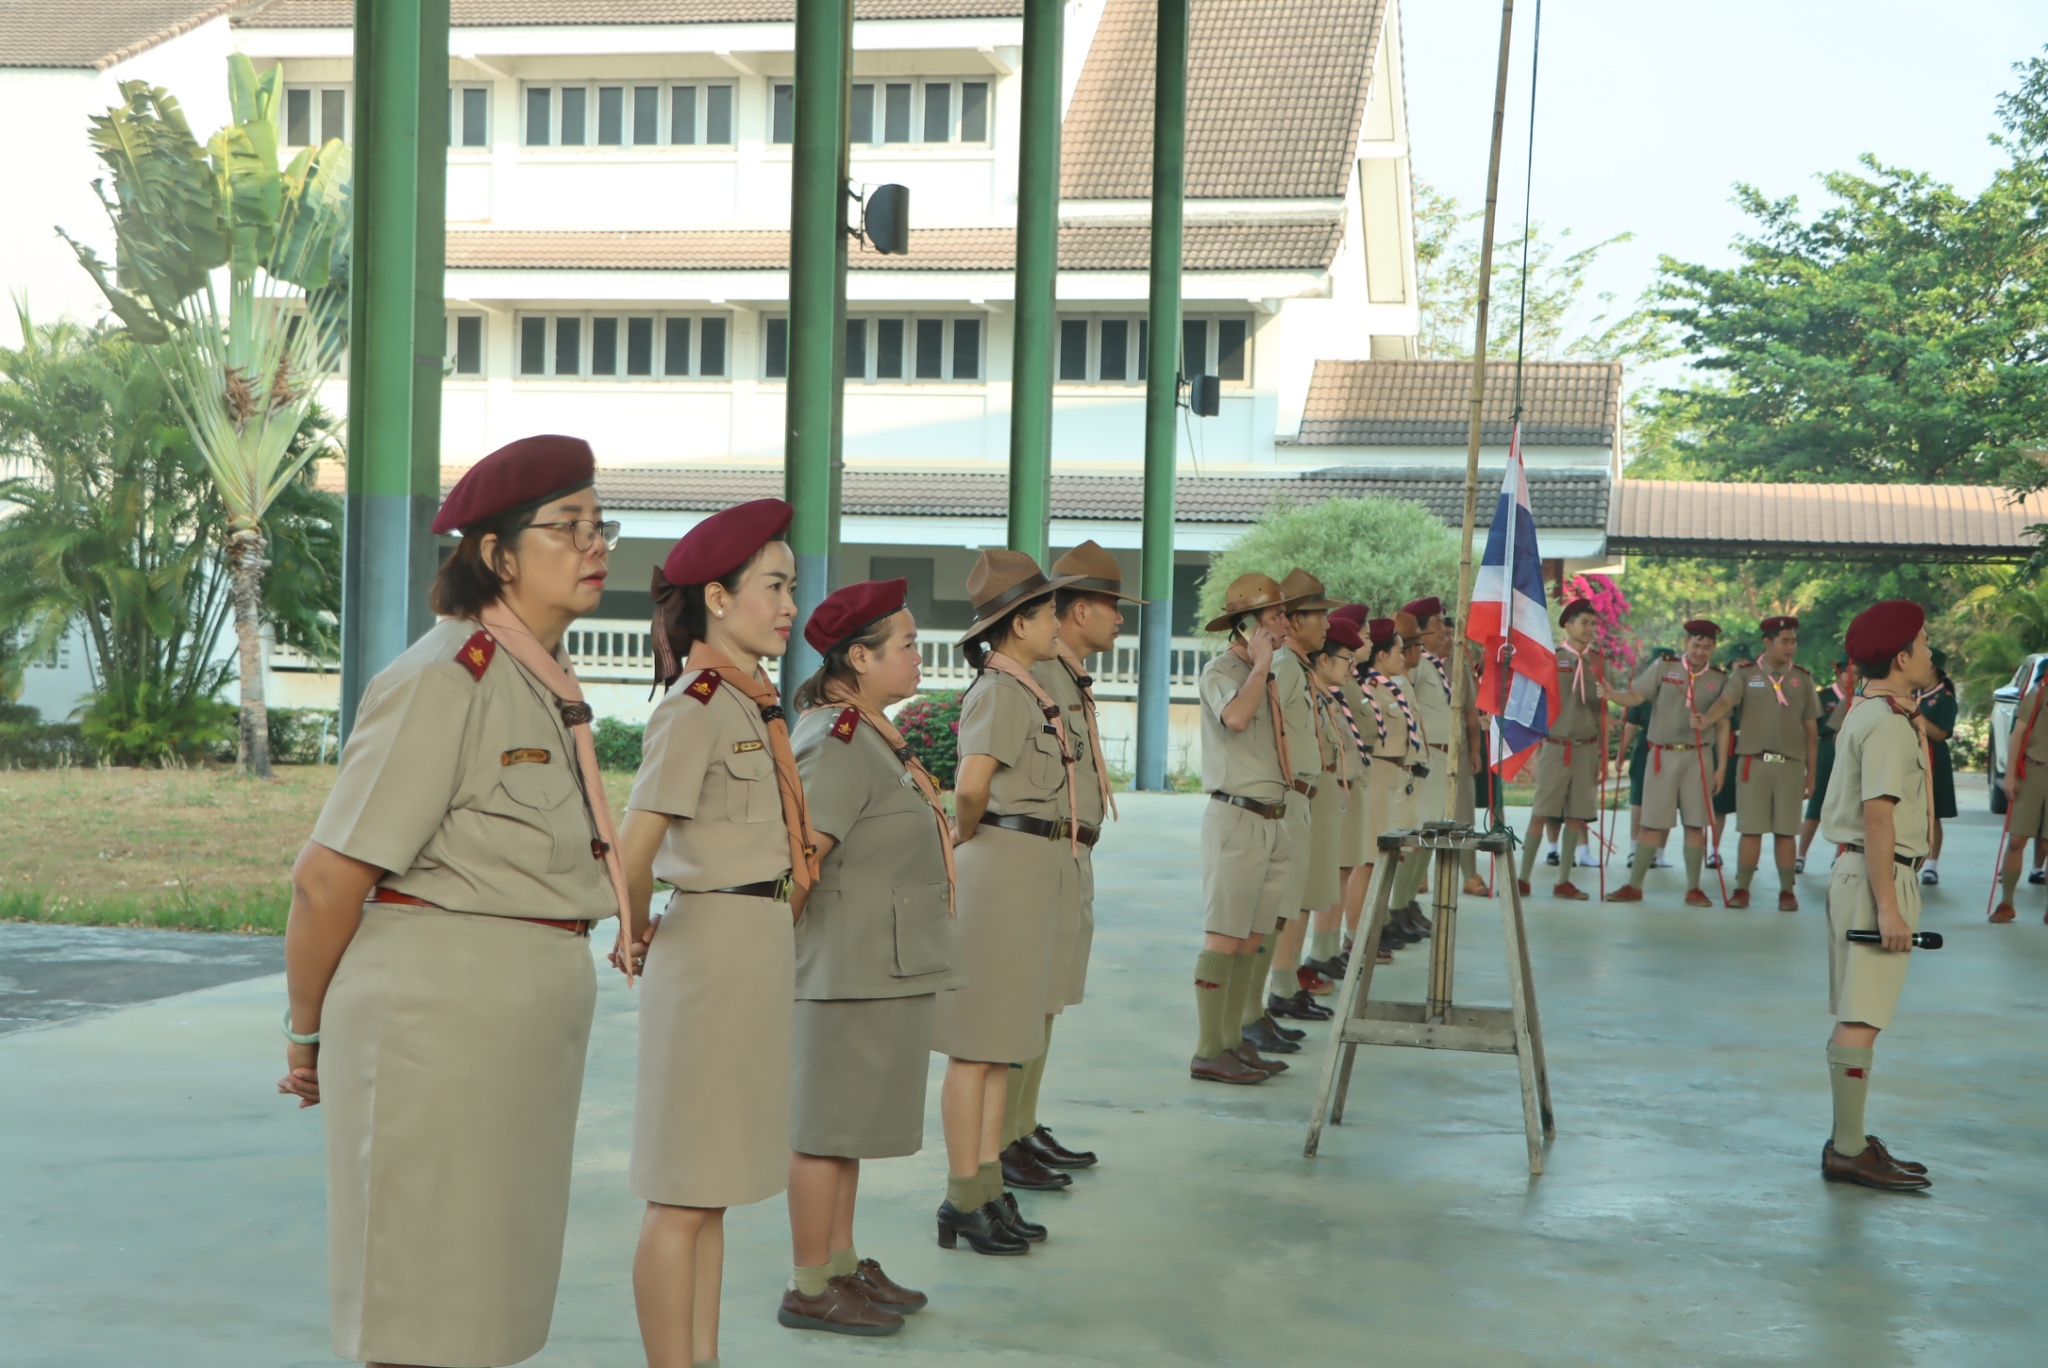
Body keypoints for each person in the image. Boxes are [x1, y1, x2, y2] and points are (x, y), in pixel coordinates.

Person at [278, 434, 633, 1368]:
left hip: (514, 1021)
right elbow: (328, 876)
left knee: (485, 1293)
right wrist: (305, 1032)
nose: (596, 545)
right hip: (437, 1021)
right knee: (424, 1295)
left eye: (602, 526)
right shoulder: (447, 677)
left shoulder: (537, 679)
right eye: (569, 527)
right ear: (497, 555)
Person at [619, 497, 821, 1368]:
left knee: (713, 1190)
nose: (788, 606)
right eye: (773, 587)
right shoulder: (696, 707)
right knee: (681, 1192)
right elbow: (633, 851)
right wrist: (635, 934)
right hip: (709, 955)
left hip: (755, 947)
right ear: (716, 597)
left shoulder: (749, 703)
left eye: (790, 587)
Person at [781, 578, 962, 1335]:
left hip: (872, 965)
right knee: (823, 1133)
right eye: (908, 645)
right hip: (840, 971)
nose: (920, 656)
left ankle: (842, 1264)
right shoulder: (838, 741)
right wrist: (766, 964)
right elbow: (801, 862)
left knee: (846, 1132)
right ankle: (809, 1284)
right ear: (859, 657)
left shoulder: (870, 735)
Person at [931, 548, 1086, 1251]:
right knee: (976, 1049)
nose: (1058, 621)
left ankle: (988, 1188)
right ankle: (963, 1198)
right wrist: (967, 840)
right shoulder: (998, 690)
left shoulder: (1026, 689)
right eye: (1049, 611)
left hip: (1027, 870)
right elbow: (971, 787)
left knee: (999, 1048)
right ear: (1019, 622)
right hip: (998, 868)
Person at [1001, 540, 1143, 1183]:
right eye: (1113, 607)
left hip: (1070, 851)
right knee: (1024, 1002)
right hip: (1038, 853)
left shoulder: (1068, 674)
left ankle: (1022, 1125)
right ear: (1079, 611)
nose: (1122, 618)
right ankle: (1002, 1139)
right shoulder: (1038, 674)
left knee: (1047, 999)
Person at [1817, 599, 1936, 1191]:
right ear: (1902, 658)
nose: (1931, 652)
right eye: (1924, 643)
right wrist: (1889, 906)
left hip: (1864, 871)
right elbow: (1878, 816)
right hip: (1875, 874)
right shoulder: (1887, 722)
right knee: (1860, 1018)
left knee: (1860, 1014)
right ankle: (1847, 1150)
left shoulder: (1871, 710)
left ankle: (1853, 1141)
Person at [1189, 573, 1298, 1085]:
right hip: (1236, 818)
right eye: (1275, 615)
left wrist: (1263, 667)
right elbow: (1235, 718)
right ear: (1247, 624)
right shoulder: (1222, 671)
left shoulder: (1266, 672)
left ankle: (1233, 1042)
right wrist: (1258, 665)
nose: (1285, 623)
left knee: (1252, 939)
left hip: (1271, 818)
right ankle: (1209, 1049)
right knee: (1224, 938)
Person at [1243, 568, 1337, 1057]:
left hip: (1302, 796)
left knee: (1287, 908)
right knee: (1273, 913)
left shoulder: (1298, 667)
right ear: (1295, 621)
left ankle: (1269, 1000)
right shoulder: (1279, 665)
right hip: (1284, 797)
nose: (1327, 625)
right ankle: (1257, 1008)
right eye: (1319, 616)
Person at [1691, 616, 1820, 912]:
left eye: (1793, 641)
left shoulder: (1802, 678)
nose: (1790, 647)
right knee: (1750, 829)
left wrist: (1811, 774)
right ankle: (1742, 889)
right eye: (1784, 641)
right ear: (1767, 642)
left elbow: (1811, 731)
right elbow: (1726, 702)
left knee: (1786, 830)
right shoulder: (1746, 675)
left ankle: (1787, 891)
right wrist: (1707, 719)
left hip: (1790, 765)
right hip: (1753, 763)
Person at [1601, 620, 1730, 905]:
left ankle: (1694, 888)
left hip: (1698, 756)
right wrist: (1613, 695)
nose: (1700, 651)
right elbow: (1637, 695)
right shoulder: (1664, 667)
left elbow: (1723, 725)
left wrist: (1721, 767)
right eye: (1696, 645)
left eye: (1707, 646)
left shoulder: (1719, 679)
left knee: (1695, 824)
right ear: (1686, 643)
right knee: (1651, 822)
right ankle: (1634, 885)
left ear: (1713, 648)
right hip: (1662, 754)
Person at [1517, 598, 1604, 900]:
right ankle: (1523, 878)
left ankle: (1564, 880)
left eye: (1593, 624)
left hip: (1586, 748)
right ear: (1567, 625)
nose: (1590, 629)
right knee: (1541, 812)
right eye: (1584, 623)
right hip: (1555, 746)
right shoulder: (1552, 660)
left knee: (1576, 816)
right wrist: (1531, 749)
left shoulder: (1599, 663)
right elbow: (1534, 704)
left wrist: (1603, 754)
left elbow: (1603, 710)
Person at [1301, 615, 1373, 984]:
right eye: (1347, 656)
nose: (1352, 663)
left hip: (1342, 791)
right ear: (1325, 659)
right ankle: (1308, 963)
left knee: (1338, 873)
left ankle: (1325, 951)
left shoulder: (1331, 697)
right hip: (1320, 796)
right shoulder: (1311, 697)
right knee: (1312, 887)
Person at [1386, 598, 1455, 929]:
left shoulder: (1434, 664)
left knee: (1430, 833)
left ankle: (1409, 900)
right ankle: (1397, 906)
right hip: (1423, 760)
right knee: (1416, 834)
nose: (1444, 629)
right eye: (1438, 623)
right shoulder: (1414, 666)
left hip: (1441, 758)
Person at [1357, 618, 1424, 930]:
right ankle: (1364, 929)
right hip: (1377, 774)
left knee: (1386, 857)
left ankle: (1380, 922)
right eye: (1398, 651)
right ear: (1381, 655)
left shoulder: (1392, 687)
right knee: (1371, 859)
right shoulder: (1369, 690)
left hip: (1396, 776)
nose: (1403, 656)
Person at [1992, 654, 2048, 922]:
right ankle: (2007, 903)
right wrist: (2011, 775)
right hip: (2032, 770)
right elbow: (2018, 734)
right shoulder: (2038, 693)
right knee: (2016, 840)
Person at [1797, 659, 1853, 873]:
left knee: (1847, 805)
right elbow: (1811, 730)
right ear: (1839, 672)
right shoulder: (1823, 697)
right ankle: (1801, 855)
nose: (1851, 677)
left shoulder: (1861, 697)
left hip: (1849, 753)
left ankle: (1839, 855)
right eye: (1846, 671)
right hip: (1826, 752)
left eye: (1856, 672)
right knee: (1815, 805)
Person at [1915, 648, 1958, 885]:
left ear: (1932, 668)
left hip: (1934, 760)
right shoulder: (1913, 692)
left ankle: (1931, 865)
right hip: (1910, 755)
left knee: (1933, 813)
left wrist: (1915, 715)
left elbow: (1941, 733)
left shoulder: (1945, 698)